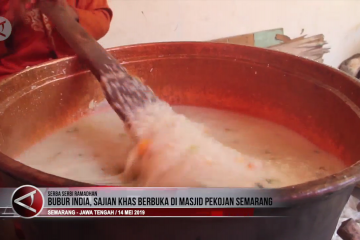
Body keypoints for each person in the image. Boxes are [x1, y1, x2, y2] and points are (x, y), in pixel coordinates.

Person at [0, 0, 113, 80]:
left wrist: (68, 13)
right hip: (17, 73)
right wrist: (10, 17)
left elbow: (102, 19)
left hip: (72, 69)